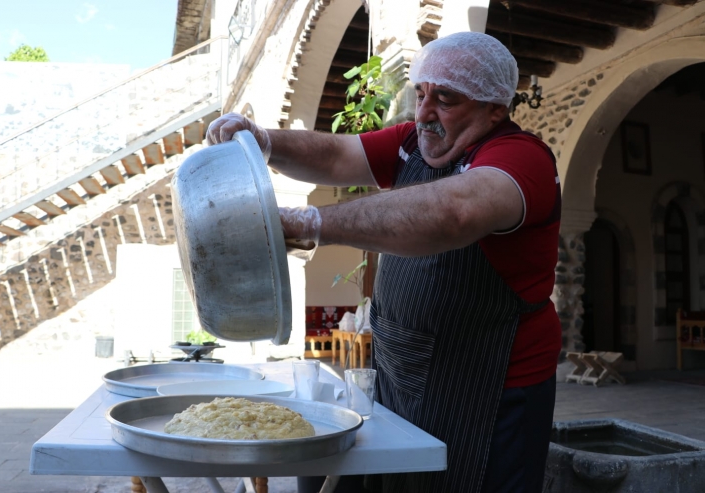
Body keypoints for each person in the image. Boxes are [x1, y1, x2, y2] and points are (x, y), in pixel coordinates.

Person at [207, 32, 561, 493]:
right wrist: (265, 141)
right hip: (403, 371)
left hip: (491, 385)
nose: (424, 113)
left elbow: (454, 212)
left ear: (495, 109)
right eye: (420, 93)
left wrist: (310, 222)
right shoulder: (413, 144)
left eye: (446, 99)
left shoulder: (520, 157)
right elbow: (338, 156)